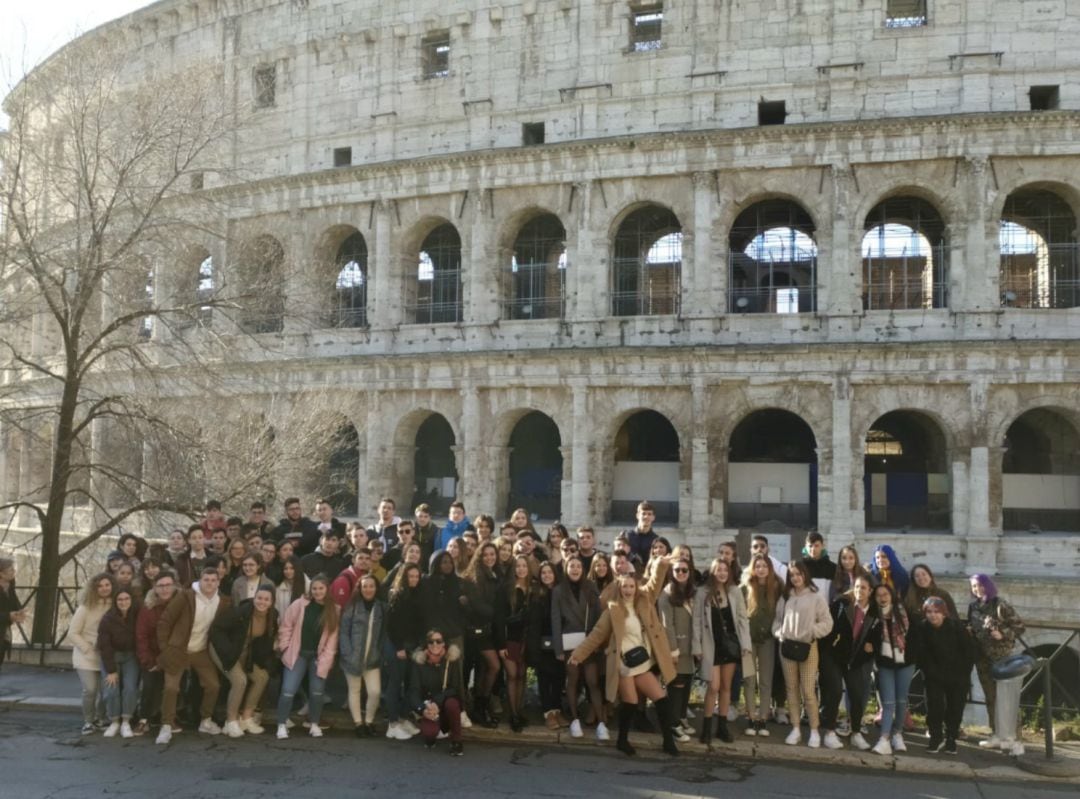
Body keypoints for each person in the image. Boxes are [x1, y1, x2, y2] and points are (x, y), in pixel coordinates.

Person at [569, 556, 678, 756]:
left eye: (631, 586)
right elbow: (596, 635)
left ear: (636, 588)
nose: (628, 590)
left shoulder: (644, 602)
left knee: (661, 699)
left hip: (642, 662)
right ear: (619, 589)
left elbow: (654, 584)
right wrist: (579, 654)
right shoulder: (613, 610)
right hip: (624, 664)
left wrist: (662, 565)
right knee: (630, 702)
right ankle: (622, 740)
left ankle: (668, 741)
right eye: (624, 587)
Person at [155, 564, 233, 745]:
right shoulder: (186, 596)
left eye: (214, 580)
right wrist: (165, 649)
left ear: (218, 582)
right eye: (206, 580)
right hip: (178, 649)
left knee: (213, 685)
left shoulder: (222, 601)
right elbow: (165, 621)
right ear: (201, 580)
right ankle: (166, 725)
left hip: (201, 650)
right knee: (171, 688)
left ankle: (205, 721)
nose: (209, 583)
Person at [775, 560, 833, 748]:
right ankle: (796, 728)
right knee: (791, 689)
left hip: (808, 649)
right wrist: (780, 633)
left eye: (799, 574)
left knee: (808, 690)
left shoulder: (816, 597)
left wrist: (811, 632)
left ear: (805, 575)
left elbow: (827, 622)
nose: (796, 578)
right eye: (792, 575)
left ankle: (814, 730)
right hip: (787, 649)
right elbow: (776, 622)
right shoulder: (785, 597)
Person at [693, 558, 751, 744]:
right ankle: (707, 726)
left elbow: (742, 619)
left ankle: (722, 727)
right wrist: (697, 646)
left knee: (726, 687)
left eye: (725, 570)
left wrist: (746, 645)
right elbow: (696, 622)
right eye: (719, 570)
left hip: (730, 646)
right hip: (711, 645)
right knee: (713, 686)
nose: (722, 573)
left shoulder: (734, 592)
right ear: (713, 571)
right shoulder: (702, 593)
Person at [275, 575, 340, 739]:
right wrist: (284, 647)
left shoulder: (334, 610)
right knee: (288, 690)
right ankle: (281, 724)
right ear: (310, 589)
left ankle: (314, 724)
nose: (317, 591)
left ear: (327, 589)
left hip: (318, 657)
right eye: (314, 588)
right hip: (297, 654)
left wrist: (325, 660)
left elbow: (332, 640)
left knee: (317, 692)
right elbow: (286, 625)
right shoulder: (300, 604)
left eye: (321, 588)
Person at [209, 585, 278, 737]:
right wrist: (227, 653)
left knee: (262, 677)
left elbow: (264, 642)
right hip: (223, 650)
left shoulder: (272, 616)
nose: (262, 602)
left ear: (272, 602)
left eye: (266, 599)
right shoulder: (241, 612)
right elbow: (217, 629)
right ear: (254, 598)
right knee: (240, 681)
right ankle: (231, 722)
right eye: (259, 598)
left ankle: (246, 717)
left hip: (244, 652)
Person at [968, 573, 1026, 755]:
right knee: (990, 697)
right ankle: (997, 735)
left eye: (980, 585)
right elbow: (974, 626)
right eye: (974, 586)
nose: (977, 589)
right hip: (982, 657)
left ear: (988, 585)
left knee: (1006, 698)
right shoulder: (973, 606)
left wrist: (1003, 633)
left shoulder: (1000, 605)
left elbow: (1020, 627)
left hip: (1001, 657)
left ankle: (1014, 739)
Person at [819, 574, 878, 751]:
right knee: (835, 691)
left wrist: (872, 645)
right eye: (857, 587)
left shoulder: (874, 612)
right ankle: (829, 731)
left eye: (864, 588)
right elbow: (828, 628)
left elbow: (877, 635)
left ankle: (856, 733)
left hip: (855, 659)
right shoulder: (841, 604)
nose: (860, 591)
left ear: (870, 591)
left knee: (857, 694)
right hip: (833, 655)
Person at [552, 555, 606, 741]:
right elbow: (556, 621)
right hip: (569, 643)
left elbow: (599, 616)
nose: (575, 569)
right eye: (571, 566)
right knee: (573, 679)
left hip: (589, 641)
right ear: (566, 569)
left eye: (578, 566)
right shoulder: (559, 591)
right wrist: (558, 649)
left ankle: (601, 722)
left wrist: (597, 642)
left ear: (583, 569)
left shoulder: (590, 587)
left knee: (592, 681)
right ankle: (575, 720)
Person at [918, 596, 975, 755]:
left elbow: (968, 652)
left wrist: (963, 673)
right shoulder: (922, 628)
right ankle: (935, 737)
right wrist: (931, 672)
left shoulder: (957, 627)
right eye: (929, 612)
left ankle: (951, 738)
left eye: (937, 612)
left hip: (957, 674)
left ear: (944, 613)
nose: (933, 615)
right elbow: (922, 654)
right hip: (934, 674)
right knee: (934, 706)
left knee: (955, 707)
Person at [870, 582, 917, 755]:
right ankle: (884, 739)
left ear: (891, 595)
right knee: (888, 702)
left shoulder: (903, 612)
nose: (882, 598)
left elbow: (914, 636)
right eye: (878, 595)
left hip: (906, 662)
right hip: (885, 664)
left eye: (885, 594)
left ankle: (898, 733)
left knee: (901, 700)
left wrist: (912, 655)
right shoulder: (874, 616)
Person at [420, 550, 466, 720]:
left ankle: (460, 710)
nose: (447, 565)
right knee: (432, 673)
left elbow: (464, 612)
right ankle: (429, 709)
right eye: (443, 562)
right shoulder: (426, 582)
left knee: (457, 674)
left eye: (449, 562)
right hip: (434, 637)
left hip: (454, 634)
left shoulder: (458, 583)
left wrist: (464, 604)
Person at [740, 554, 783, 735]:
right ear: (753, 568)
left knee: (765, 680)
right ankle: (751, 716)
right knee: (749, 679)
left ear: (770, 568)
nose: (761, 569)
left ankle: (763, 717)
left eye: (764, 566)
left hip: (767, 640)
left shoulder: (777, 587)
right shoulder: (745, 588)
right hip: (748, 641)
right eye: (758, 566)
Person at [461, 542, 502, 728]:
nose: (489, 558)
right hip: (476, 632)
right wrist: (496, 612)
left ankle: (481, 706)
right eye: (485, 555)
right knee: (492, 666)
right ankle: (476, 707)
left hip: (488, 630)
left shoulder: (495, 574)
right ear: (479, 556)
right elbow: (477, 606)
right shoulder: (474, 576)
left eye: (492, 554)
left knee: (485, 669)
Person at [340, 574, 386, 737]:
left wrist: (379, 652)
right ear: (359, 588)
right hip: (353, 657)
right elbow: (344, 632)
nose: (368, 589)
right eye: (365, 586)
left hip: (372, 659)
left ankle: (369, 721)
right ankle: (358, 724)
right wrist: (348, 653)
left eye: (371, 586)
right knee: (355, 690)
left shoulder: (380, 607)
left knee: (375, 692)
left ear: (376, 588)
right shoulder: (352, 606)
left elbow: (382, 634)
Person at [384, 563, 425, 741]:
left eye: (417, 576)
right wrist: (399, 647)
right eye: (411, 576)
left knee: (409, 684)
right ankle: (392, 724)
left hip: (412, 646)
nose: (414, 579)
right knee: (395, 684)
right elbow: (392, 625)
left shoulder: (418, 594)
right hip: (397, 646)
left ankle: (402, 718)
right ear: (404, 577)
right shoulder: (397, 595)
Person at [134, 570, 177, 735]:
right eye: (161, 586)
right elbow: (141, 636)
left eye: (168, 585)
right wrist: (149, 661)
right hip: (152, 655)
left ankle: (169, 719)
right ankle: (143, 719)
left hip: (173, 654)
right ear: (155, 588)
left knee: (172, 686)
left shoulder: (181, 603)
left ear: (174, 586)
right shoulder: (148, 607)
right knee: (150, 684)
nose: (165, 589)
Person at [411, 628, 466, 756]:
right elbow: (413, 690)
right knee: (429, 734)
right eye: (431, 641)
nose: (435, 644)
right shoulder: (419, 662)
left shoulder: (451, 660)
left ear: (444, 643)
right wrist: (422, 710)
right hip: (428, 706)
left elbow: (454, 688)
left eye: (438, 641)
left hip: (445, 702)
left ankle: (457, 741)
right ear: (426, 644)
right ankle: (433, 734)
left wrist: (437, 702)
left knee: (452, 703)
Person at [658, 558, 696, 743]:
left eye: (684, 570)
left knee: (686, 683)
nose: (681, 573)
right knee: (676, 686)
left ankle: (681, 718)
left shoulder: (691, 592)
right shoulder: (666, 595)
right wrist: (673, 650)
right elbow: (667, 625)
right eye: (677, 570)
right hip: (676, 648)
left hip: (689, 647)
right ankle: (672, 724)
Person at [70, 573, 113, 734]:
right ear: (94, 588)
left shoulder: (115, 605)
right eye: (100, 586)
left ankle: (100, 719)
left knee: (105, 691)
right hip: (85, 655)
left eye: (107, 585)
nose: (104, 588)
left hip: (106, 655)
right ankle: (88, 721)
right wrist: (87, 648)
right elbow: (73, 632)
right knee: (90, 689)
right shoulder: (85, 607)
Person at [495, 555, 532, 732]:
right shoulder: (506, 588)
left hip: (525, 639)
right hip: (509, 637)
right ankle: (513, 714)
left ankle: (519, 711)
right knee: (512, 675)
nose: (521, 569)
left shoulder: (532, 588)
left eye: (524, 566)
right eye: (518, 566)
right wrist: (501, 645)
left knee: (522, 675)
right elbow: (500, 619)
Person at [97, 587, 141, 738]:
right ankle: (114, 721)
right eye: (120, 599)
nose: (123, 602)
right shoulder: (107, 619)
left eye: (126, 599)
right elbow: (104, 645)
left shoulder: (137, 615)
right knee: (111, 689)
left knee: (130, 688)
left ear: (131, 600)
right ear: (115, 602)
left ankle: (126, 721)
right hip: (112, 657)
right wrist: (111, 670)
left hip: (131, 656)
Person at [0, 558, 27, 673]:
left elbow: (14, 602)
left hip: (3, 632)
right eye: (10, 570)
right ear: (1, 573)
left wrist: (20, 612)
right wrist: (8, 616)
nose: (13, 572)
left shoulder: (10, 585)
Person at [622, 500, 659, 566]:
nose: (646, 517)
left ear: (653, 517)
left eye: (649, 514)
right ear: (637, 515)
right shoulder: (627, 536)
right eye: (643, 513)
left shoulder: (656, 539)